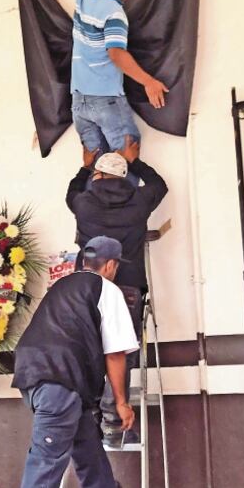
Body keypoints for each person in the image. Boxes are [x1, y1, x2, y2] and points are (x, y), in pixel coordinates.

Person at [8, 236, 139, 488]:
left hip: (36, 377)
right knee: (45, 463)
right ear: (110, 265)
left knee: (84, 435)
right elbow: (116, 353)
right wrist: (123, 403)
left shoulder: (61, 285)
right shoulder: (106, 290)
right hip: (58, 382)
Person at [66, 143, 167, 445]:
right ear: (123, 177)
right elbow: (159, 186)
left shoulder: (83, 203)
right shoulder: (139, 200)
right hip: (127, 288)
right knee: (120, 350)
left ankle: (91, 416)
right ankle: (112, 419)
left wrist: (84, 167)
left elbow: (71, 192)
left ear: (97, 176)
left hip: (88, 289)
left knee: (88, 350)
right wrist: (136, 162)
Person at [71, 0, 168, 186]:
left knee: (97, 166)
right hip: (106, 101)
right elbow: (116, 54)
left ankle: (96, 221)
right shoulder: (114, 13)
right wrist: (149, 81)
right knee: (124, 161)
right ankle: (124, 221)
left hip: (79, 102)